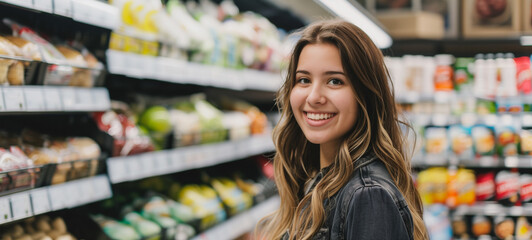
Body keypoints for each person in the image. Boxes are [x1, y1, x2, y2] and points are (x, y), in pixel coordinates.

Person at [257, 19, 428, 240]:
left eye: (335, 81)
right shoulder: (322, 178)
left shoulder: (368, 196)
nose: (314, 97)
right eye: (304, 80)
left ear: (365, 95)